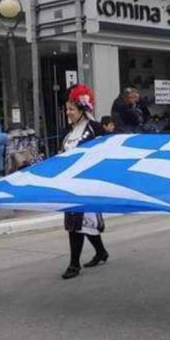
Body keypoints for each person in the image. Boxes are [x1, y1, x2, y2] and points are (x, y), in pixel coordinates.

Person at [59, 84, 109, 279]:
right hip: (71, 183)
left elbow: (107, 150)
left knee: (77, 221)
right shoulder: (70, 132)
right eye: (67, 109)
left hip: (87, 183)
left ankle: (74, 264)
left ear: (82, 110)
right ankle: (101, 252)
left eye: (71, 109)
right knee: (80, 221)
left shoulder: (94, 129)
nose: (68, 113)